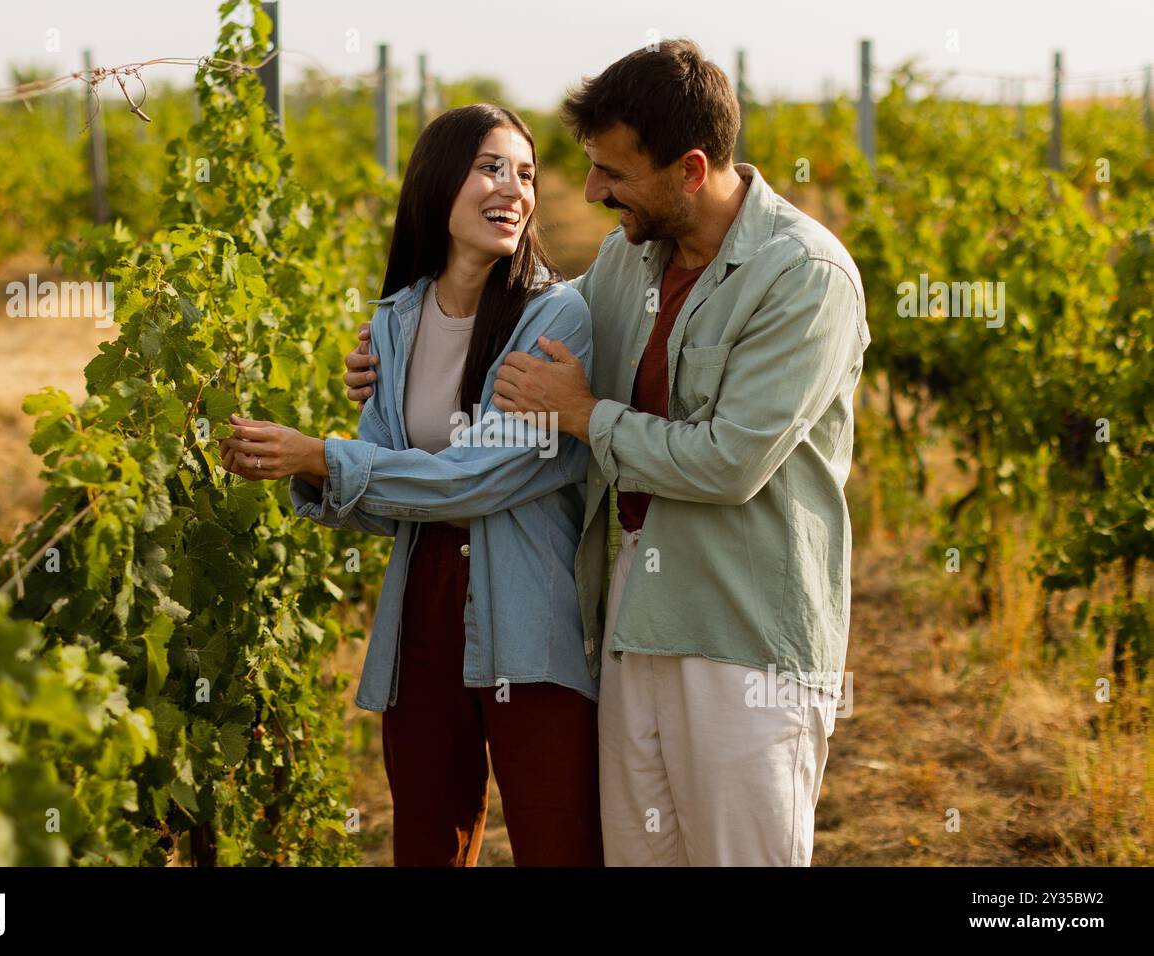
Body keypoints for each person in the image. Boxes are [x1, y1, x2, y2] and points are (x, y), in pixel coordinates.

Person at [345, 41, 870, 866]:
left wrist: (587, 416)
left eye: (613, 173)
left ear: (690, 171)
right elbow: (523, 325)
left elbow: (729, 462)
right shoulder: (627, 261)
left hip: (743, 637)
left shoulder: (802, 277)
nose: (589, 191)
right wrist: (405, 353)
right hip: (628, 624)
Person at [218, 104, 603, 867]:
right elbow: (391, 500)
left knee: (557, 843)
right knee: (427, 844)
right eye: (491, 167)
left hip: (529, 616)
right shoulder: (393, 320)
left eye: (526, 174)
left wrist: (322, 458)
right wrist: (305, 468)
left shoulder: (556, 317)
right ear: (437, 183)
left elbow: (476, 479)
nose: (515, 190)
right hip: (420, 608)